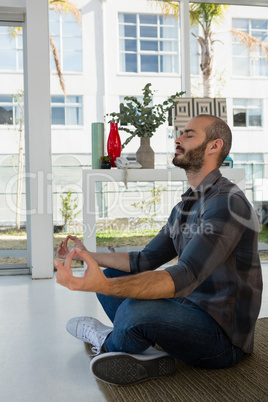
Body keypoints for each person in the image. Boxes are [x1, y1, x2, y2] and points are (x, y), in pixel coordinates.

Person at [56, 114, 263, 386]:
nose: (178, 139)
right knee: (110, 276)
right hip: (187, 306)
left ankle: (108, 340)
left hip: (222, 338)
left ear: (214, 146)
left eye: (189, 135)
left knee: (133, 311)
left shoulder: (227, 202)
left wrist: (105, 288)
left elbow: (185, 275)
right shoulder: (185, 206)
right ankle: (145, 349)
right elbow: (144, 260)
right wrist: (88, 255)